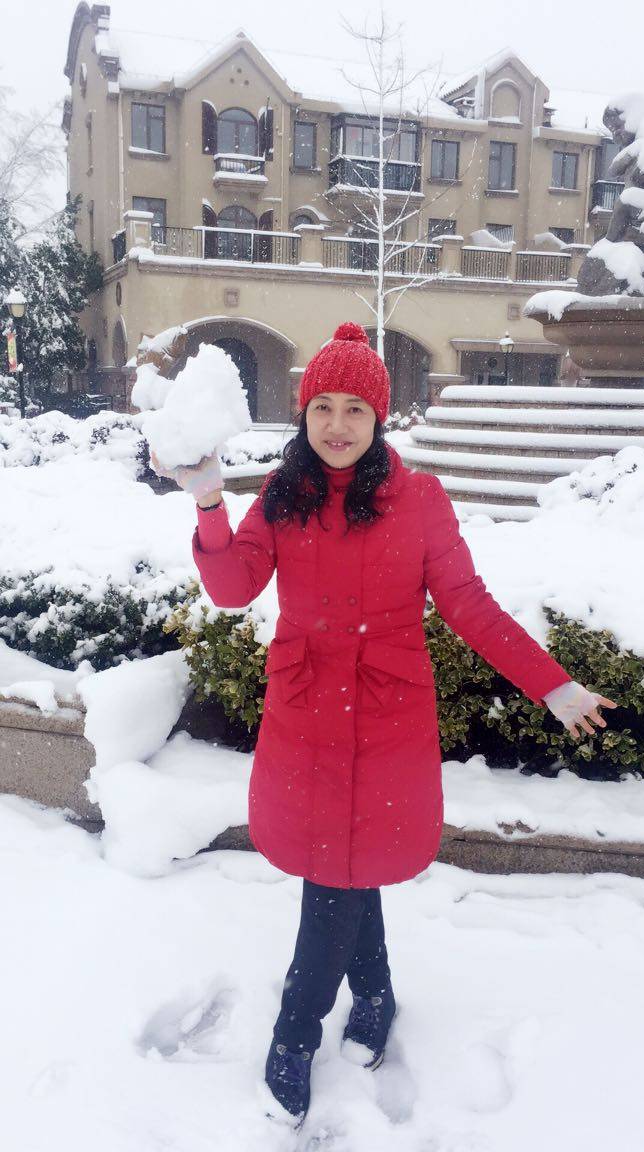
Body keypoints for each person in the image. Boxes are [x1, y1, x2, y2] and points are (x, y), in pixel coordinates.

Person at [151, 321, 617, 1130]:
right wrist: (208, 502)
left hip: (387, 712)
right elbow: (231, 590)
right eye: (322, 407)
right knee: (336, 862)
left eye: (355, 409)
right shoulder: (283, 495)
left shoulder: (420, 500)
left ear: (379, 417)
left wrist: (554, 686)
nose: (337, 425)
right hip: (305, 708)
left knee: (341, 865)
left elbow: (470, 607)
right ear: (304, 413)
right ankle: (373, 992)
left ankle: (295, 1032)